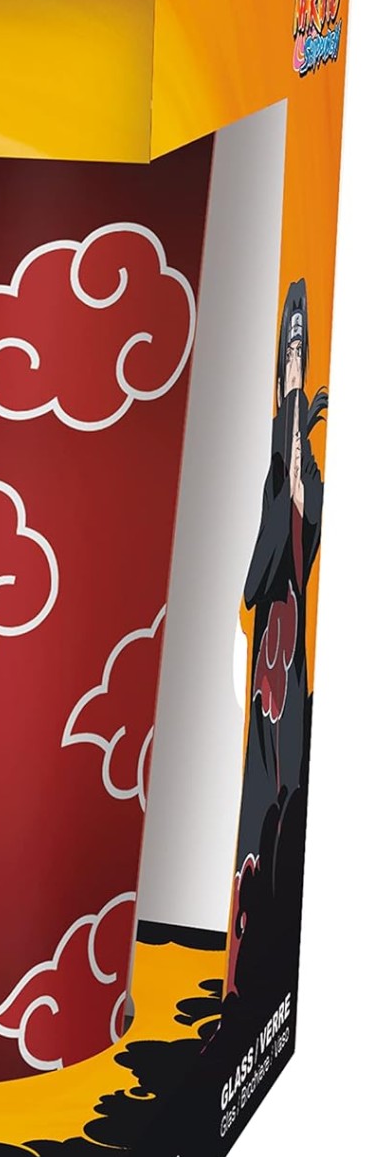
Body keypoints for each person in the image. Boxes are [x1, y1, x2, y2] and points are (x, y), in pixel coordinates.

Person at [227, 279, 326, 994]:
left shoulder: (301, 455)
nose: (294, 363)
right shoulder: (274, 448)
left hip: (289, 636)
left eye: (299, 350)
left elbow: (306, 526)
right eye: (287, 352)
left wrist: (300, 459)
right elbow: (260, 561)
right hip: (270, 637)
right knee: (266, 765)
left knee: (288, 762)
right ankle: (245, 952)